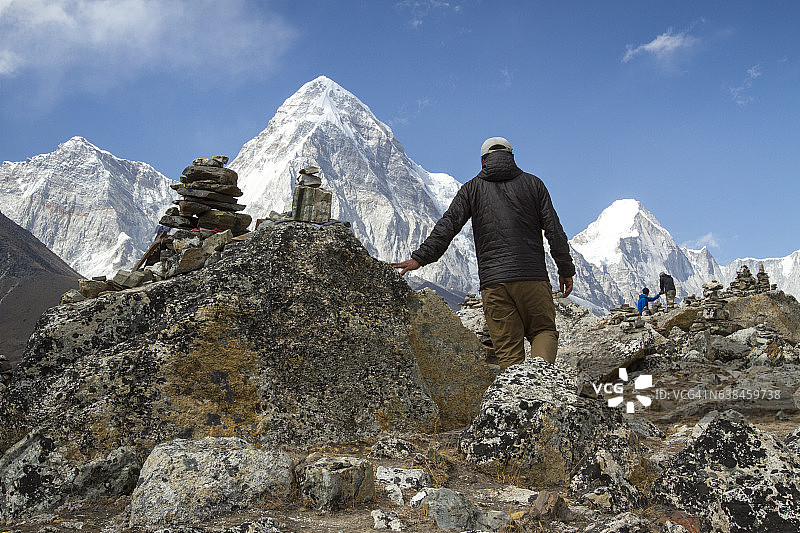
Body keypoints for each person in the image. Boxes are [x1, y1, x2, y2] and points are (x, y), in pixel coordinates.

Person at [391, 137, 575, 370]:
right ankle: (541, 383)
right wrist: (565, 270)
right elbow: (554, 231)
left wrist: (420, 258)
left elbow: (448, 225)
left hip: (494, 283)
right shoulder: (534, 184)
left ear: (482, 160)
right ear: (512, 157)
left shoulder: (471, 189)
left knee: (508, 351)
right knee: (543, 331)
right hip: (533, 278)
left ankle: (517, 389)